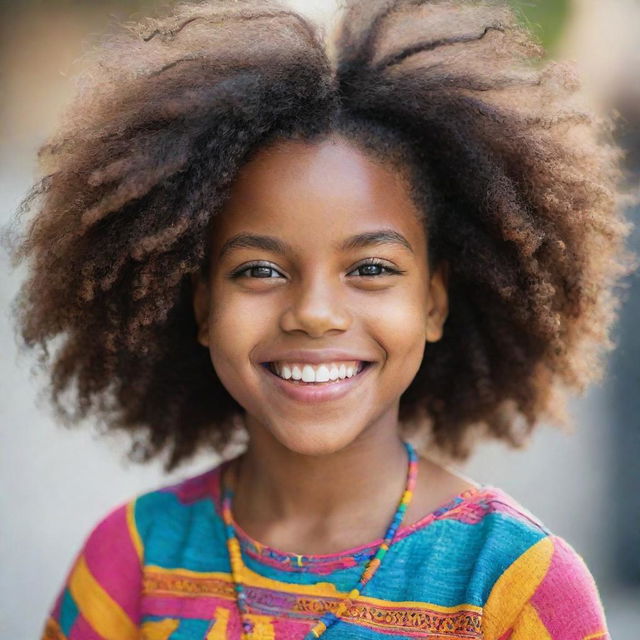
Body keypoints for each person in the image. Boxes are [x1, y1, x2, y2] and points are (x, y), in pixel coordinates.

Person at [6, 0, 635, 638]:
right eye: (259, 270)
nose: (313, 313)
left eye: (370, 270)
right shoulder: (134, 560)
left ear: (434, 304)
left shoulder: (512, 586)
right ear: (202, 307)